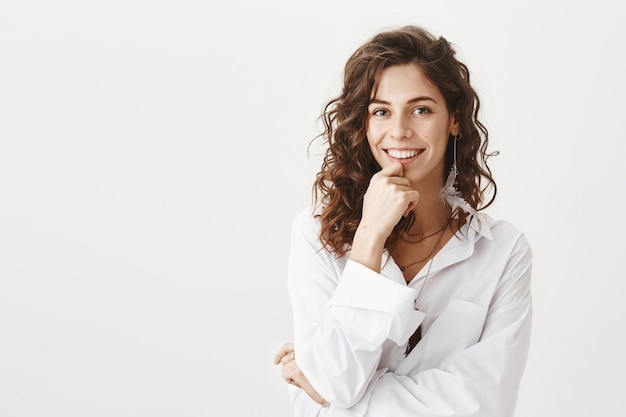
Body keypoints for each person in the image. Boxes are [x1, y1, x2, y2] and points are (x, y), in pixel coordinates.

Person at [274, 25, 532, 417]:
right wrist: (368, 240)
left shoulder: (503, 253)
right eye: (381, 111)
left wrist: (343, 400)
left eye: (421, 109)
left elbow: (483, 406)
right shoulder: (315, 236)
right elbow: (333, 383)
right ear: (363, 122)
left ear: (455, 118)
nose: (399, 131)